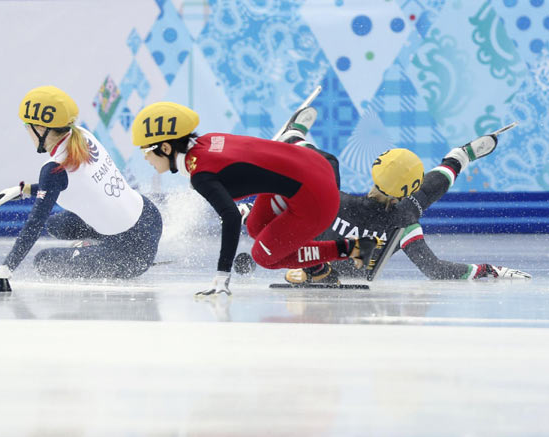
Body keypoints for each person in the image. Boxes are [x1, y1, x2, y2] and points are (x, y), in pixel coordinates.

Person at [130, 102, 395, 296]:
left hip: (316, 198)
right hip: (314, 165)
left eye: (147, 151)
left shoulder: (200, 173)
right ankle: (295, 136)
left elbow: (230, 217)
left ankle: (351, 248)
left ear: (166, 147)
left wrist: (222, 277)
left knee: (263, 257)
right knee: (256, 228)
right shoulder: (209, 141)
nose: (145, 158)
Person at [246, 107, 532, 284]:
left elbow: (285, 216)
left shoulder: (336, 202)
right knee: (418, 201)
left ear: (375, 169)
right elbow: (434, 269)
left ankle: (294, 137)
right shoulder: (406, 220)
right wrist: (487, 270)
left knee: (320, 174)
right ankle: (459, 157)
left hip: (313, 260)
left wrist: (248, 214)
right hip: (353, 264)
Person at [0, 86, 163, 282]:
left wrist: (6, 269)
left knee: (43, 261)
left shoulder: (54, 168)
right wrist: (24, 190)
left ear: (41, 128)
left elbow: (34, 224)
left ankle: (103, 253)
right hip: (149, 216)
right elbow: (77, 186)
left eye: (26, 125)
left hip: (130, 255)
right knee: (56, 224)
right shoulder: (81, 135)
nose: (27, 131)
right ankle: (96, 249)